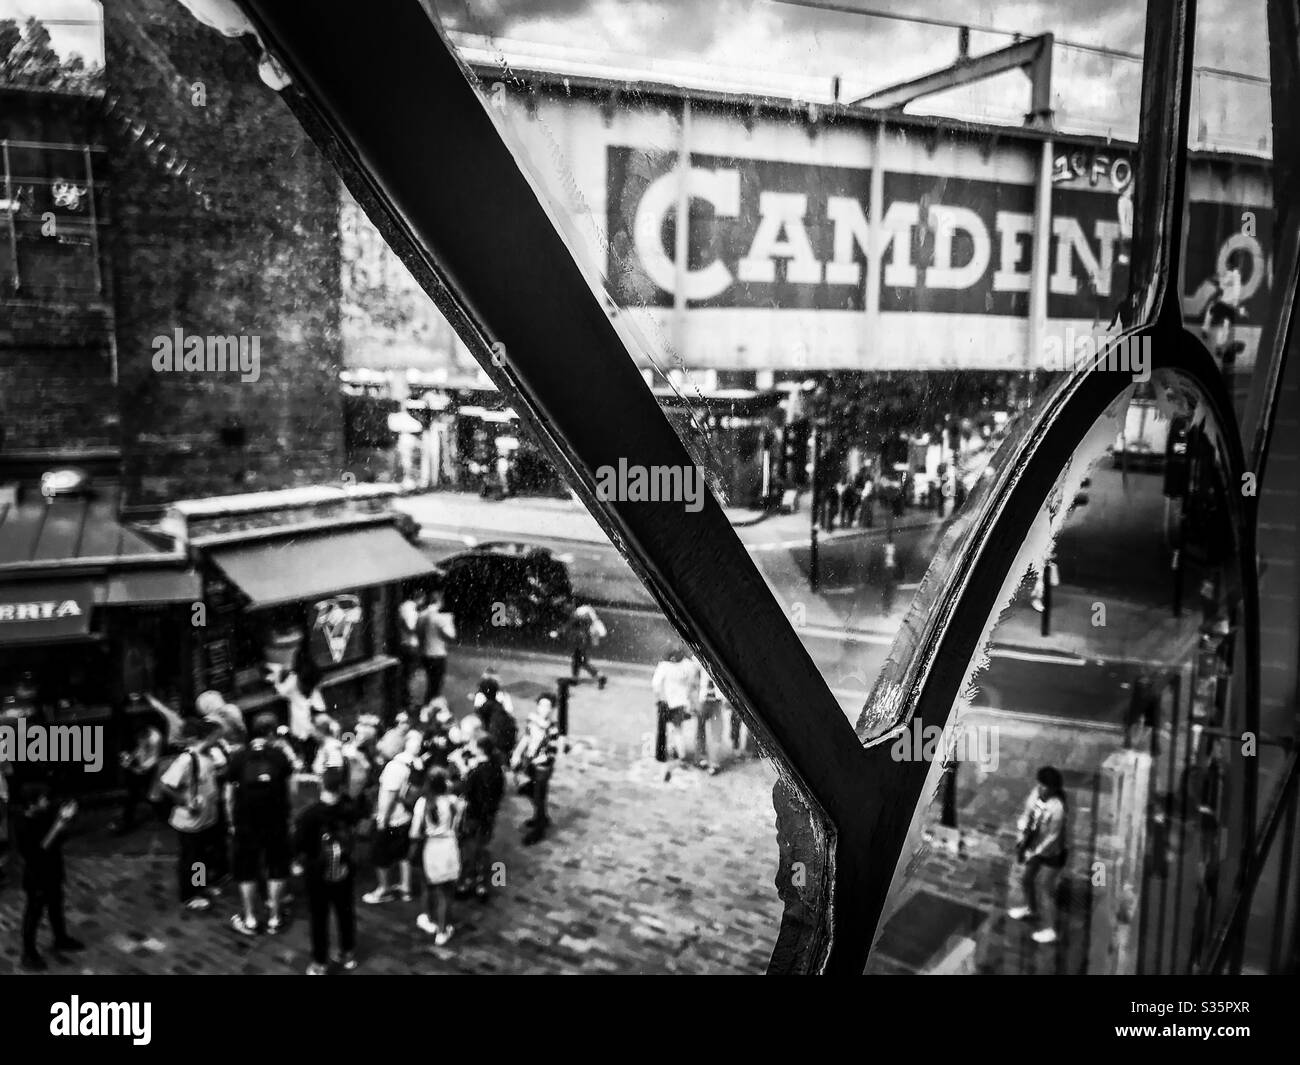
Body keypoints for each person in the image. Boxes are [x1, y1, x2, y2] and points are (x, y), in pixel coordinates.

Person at [225, 711, 295, 937]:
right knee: (277, 866)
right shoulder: (280, 756)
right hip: (275, 820)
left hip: (245, 820)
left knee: (246, 868)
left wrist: (231, 821)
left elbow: (228, 796)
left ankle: (250, 919)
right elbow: (291, 791)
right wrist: (288, 815)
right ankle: (275, 917)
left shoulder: (238, 757)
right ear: (272, 731)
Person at [293, 764, 360, 975]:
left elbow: (298, 845)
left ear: (322, 784)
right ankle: (347, 953)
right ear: (341, 787)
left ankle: (320, 963)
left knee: (319, 918)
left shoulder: (309, 815)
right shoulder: (348, 808)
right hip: (343, 869)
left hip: (317, 873)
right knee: (345, 912)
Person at [159, 718, 225, 912]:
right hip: (190, 821)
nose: (218, 740)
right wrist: (185, 801)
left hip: (206, 818)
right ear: (206, 737)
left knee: (202, 856)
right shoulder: (187, 760)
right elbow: (165, 784)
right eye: (216, 737)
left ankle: (201, 886)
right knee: (192, 858)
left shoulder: (209, 756)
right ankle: (189, 894)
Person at [16, 783, 84, 970]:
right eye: (43, 799)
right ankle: (28, 953)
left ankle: (60, 938)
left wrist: (67, 819)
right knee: (34, 914)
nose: (47, 802)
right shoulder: (22, 824)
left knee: (56, 905)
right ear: (32, 803)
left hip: (53, 869)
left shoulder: (44, 815)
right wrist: (58, 825)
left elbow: (61, 838)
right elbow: (37, 851)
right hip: (36, 875)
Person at [1008, 765, 1070, 945]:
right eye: (1040, 784)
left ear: (1054, 789)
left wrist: (1034, 853)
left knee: (1045, 889)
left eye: (1046, 786)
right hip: (1034, 846)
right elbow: (1026, 814)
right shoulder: (1035, 794)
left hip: (1051, 853)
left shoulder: (1057, 808)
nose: (1042, 788)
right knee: (1026, 879)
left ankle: (1050, 929)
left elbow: (1053, 837)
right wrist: (1022, 831)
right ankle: (1030, 908)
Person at [364, 730, 423, 905]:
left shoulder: (394, 766)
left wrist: (382, 820)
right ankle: (406, 888)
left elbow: (389, 796)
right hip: (406, 816)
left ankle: (384, 889)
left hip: (392, 818)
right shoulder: (415, 762)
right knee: (403, 854)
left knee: (380, 855)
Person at [409, 767, 463, 945]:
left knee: (427, 884)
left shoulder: (423, 803)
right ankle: (442, 930)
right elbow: (458, 825)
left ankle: (427, 917)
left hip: (431, 847)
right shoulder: (454, 802)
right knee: (445, 892)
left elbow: (415, 833)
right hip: (449, 846)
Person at [458, 737, 505, 899]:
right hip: (488, 816)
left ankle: (467, 882)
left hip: (474, 815)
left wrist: (465, 769)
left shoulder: (477, 772)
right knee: (482, 848)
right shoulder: (497, 769)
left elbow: (467, 791)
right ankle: (482, 884)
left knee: (470, 849)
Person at [512, 695, 561, 845]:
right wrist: (517, 753)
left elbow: (551, 753)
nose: (544, 709)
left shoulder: (553, 728)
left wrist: (536, 760)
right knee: (529, 790)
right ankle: (541, 817)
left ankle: (539, 829)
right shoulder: (532, 721)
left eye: (548, 706)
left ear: (552, 709)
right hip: (530, 763)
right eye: (541, 705)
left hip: (542, 768)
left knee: (539, 795)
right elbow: (526, 738)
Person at [270, 634, 326, 764]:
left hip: (301, 716)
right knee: (318, 743)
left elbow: (280, 692)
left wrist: (277, 675)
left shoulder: (295, 678)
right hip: (317, 708)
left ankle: (310, 765)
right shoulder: (314, 673)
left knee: (306, 747)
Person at [112, 713, 164, 835]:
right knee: (134, 795)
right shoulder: (140, 735)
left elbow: (154, 758)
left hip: (150, 768)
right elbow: (140, 749)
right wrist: (130, 758)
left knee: (151, 794)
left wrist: (141, 768)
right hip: (140, 767)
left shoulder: (155, 738)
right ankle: (127, 820)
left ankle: (163, 816)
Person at [652, 647, 697, 776]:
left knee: (662, 730)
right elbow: (692, 681)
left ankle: (661, 755)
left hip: (666, 702)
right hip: (682, 703)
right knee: (678, 728)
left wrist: (658, 698)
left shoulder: (664, 666)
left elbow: (655, 684)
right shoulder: (688, 666)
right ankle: (681, 755)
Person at [550, 601, 607, 688]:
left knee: (581, 661)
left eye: (566, 608)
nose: (565, 610)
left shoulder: (577, 616)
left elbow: (567, 626)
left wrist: (557, 632)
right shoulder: (582, 615)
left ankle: (599, 677)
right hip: (581, 641)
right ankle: (576, 678)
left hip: (580, 642)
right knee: (577, 660)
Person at [416, 592, 457, 701]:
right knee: (436, 685)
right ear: (439, 601)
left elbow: (418, 632)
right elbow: (451, 636)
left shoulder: (421, 615)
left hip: (425, 654)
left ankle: (428, 705)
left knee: (430, 682)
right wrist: (450, 622)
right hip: (437, 654)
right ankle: (431, 708)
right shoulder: (441, 617)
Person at [397, 589, 423, 714]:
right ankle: (409, 703)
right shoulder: (411, 609)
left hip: (403, 644)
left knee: (406, 674)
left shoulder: (402, 606)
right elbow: (411, 628)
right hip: (411, 645)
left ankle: (405, 700)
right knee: (411, 675)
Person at [694, 664, 724, 774]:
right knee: (709, 732)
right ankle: (708, 761)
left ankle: (708, 761)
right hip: (709, 700)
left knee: (708, 732)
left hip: (712, 700)